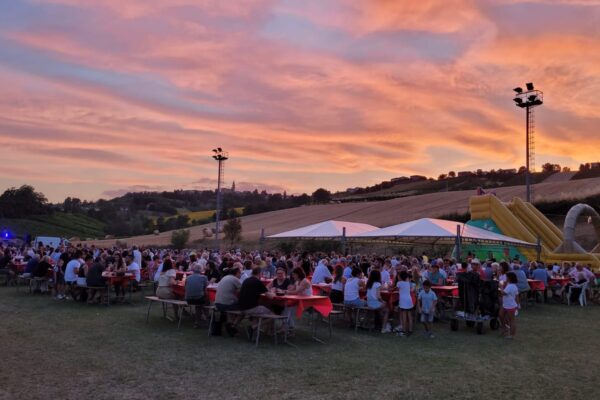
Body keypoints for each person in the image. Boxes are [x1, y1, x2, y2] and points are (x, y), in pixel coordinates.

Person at [238, 267, 276, 339]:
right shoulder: (258, 282)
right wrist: (273, 293)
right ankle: (254, 327)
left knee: (259, 310)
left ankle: (255, 335)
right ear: (260, 274)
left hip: (241, 307)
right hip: (250, 308)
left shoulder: (246, 280)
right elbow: (270, 297)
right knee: (273, 315)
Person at [281, 267, 312, 335]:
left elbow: (296, 292)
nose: (292, 276)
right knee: (287, 307)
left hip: (306, 302)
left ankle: (287, 328)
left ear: (298, 274)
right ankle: (288, 328)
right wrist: (284, 290)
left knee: (289, 308)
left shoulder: (304, 281)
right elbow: (292, 290)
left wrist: (285, 292)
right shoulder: (297, 281)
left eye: (294, 274)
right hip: (299, 301)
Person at [214, 266, 242, 336]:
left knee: (231, 305)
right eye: (240, 273)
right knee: (245, 309)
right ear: (237, 273)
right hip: (226, 304)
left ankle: (230, 325)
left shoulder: (224, 277)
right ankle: (233, 326)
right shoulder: (235, 279)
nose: (240, 275)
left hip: (217, 304)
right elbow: (242, 292)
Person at [185, 263, 209, 327]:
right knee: (206, 301)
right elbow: (206, 291)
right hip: (198, 299)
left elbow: (186, 288)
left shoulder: (188, 277)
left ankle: (198, 321)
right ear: (201, 270)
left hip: (188, 299)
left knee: (199, 302)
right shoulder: (204, 277)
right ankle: (206, 319)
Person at [499, 272, 520, 339]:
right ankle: (505, 328)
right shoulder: (512, 285)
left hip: (510, 305)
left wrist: (501, 287)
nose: (506, 278)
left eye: (507, 277)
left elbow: (503, 293)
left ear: (509, 278)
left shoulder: (511, 286)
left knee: (511, 320)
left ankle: (511, 335)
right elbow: (517, 296)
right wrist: (518, 304)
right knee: (501, 315)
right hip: (506, 304)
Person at [396, 270, 414, 336]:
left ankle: (403, 330)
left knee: (404, 315)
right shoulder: (408, 283)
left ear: (400, 277)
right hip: (409, 300)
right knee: (409, 315)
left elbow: (397, 289)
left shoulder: (399, 283)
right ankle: (410, 330)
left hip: (403, 300)